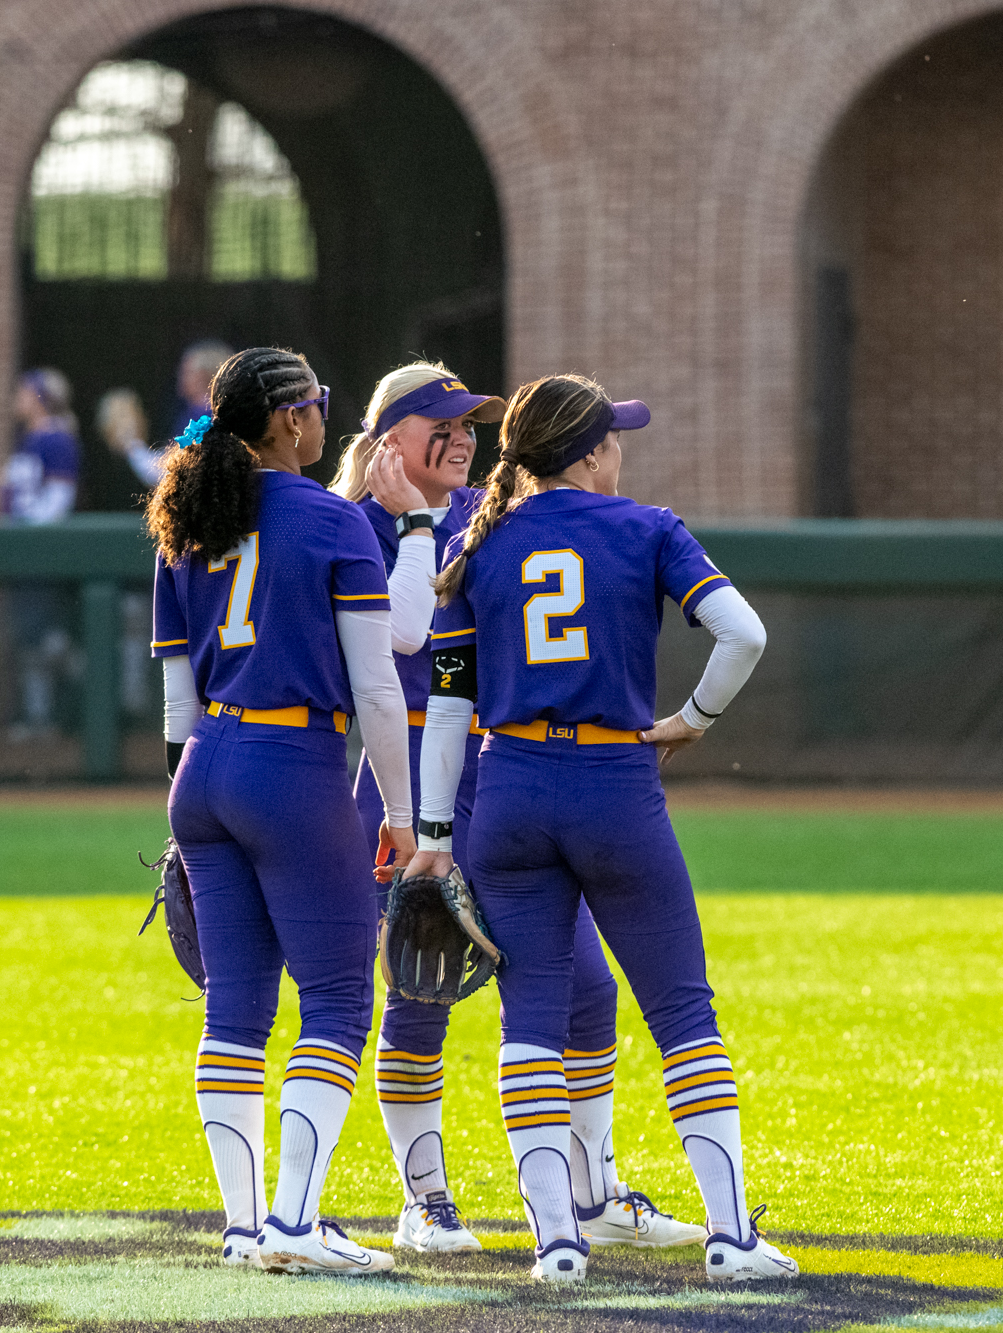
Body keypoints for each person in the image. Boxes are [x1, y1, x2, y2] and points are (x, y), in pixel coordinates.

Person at [406, 374, 797, 1286]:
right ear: (587, 454)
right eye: (612, 439)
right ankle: (732, 1237)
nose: (620, 451)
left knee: (529, 1018)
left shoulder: (480, 542)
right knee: (682, 1011)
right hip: (616, 782)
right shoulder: (648, 528)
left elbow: (451, 706)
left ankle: (557, 1244)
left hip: (509, 793)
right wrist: (691, 720)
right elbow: (744, 635)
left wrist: (433, 832)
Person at [330, 362, 706, 1257]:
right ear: (391, 437)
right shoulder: (354, 524)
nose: (464, 436)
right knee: (421, 987)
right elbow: (412, 632)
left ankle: (592, 1194)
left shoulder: (481, 517)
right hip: (409, 773)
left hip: (502, 775)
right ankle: (424, 1200)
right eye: (442, 423)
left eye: (471, 423)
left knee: (585, 987)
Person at [148, 346, 413, 1276]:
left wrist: (192, 813)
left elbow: (179, 705)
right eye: (319, 404)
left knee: (235, 1007)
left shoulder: (185, 517)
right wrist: (407, 816)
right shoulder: (334, 519)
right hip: (292, 760)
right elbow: (379, 690)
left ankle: (244, 1224)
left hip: (206, 769)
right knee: (340, 996)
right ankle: (295, 1223)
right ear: (292, 419)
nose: (323, 419)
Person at [1, 368, 80, 740]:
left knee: (47, 639)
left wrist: (27, 530)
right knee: (30, 640)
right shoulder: (26, 439)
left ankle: (93, 685)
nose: (17, 398)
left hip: (41, 552)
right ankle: (39, 718)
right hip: (20, 552)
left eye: (24, 392)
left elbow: (58, 502)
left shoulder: (57, 439)